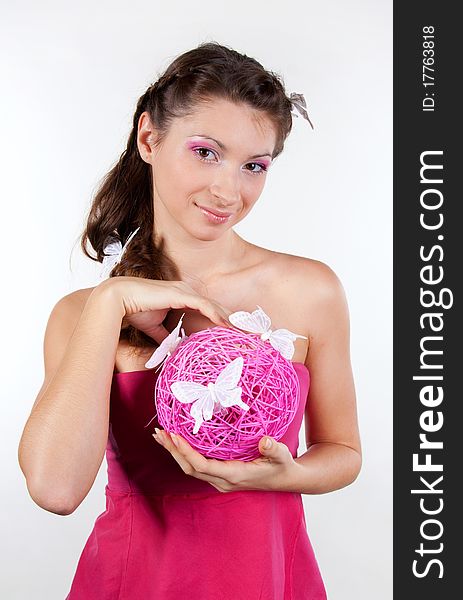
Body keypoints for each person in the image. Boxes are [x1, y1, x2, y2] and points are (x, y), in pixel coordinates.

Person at [18, 41, 361, 599]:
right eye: (206, 152)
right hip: (134, 582)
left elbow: (343, 453)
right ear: (150, 138)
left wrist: (283, 476)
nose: (229, 190)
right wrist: (111, 303)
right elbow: (56, 490)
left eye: (254, 166)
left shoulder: (309, 290)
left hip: (270, 580)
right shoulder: (80, 315)